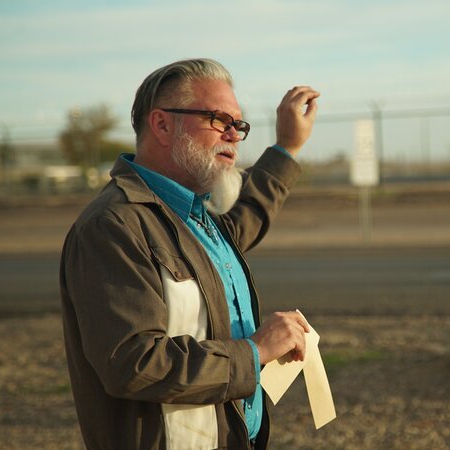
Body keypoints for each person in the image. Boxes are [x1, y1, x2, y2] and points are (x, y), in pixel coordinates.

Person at [59, 58, 320, 450]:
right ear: (162, 124)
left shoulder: (200, 218)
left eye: (239, 124)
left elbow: (248, 210)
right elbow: (132, 363)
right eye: (218, 119)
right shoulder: (113, 225)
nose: (233, 135)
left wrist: (286, 148)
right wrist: (256, 352)